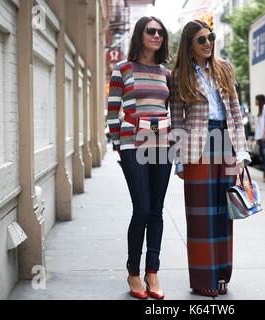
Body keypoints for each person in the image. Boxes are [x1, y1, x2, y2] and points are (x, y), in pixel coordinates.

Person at [170, 20, 251, 297]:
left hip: (225, 143)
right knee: (200, 218)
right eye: (201, 40)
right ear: (190, 46)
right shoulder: (179, 74)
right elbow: (177, 120)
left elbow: (236, 113)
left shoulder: (224, 69)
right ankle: (204, 280)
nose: (208, 43)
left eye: (210, 37)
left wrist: (241, 151)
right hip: (196, 148)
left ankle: (222, 277)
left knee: (223, 213)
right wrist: (178, 161)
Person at [107, 16, 172, 299]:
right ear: (139, 34)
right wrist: (119, 146)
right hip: (133, 144)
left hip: (161, 145)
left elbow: (170, 109)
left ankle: (152, 271)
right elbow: (112, 112)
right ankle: (134, 271)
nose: (156, 35)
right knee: (142, 208)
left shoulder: (166, 73)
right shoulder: (122, 69)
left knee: (157, 211)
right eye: (151, 31)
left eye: (160, 32)